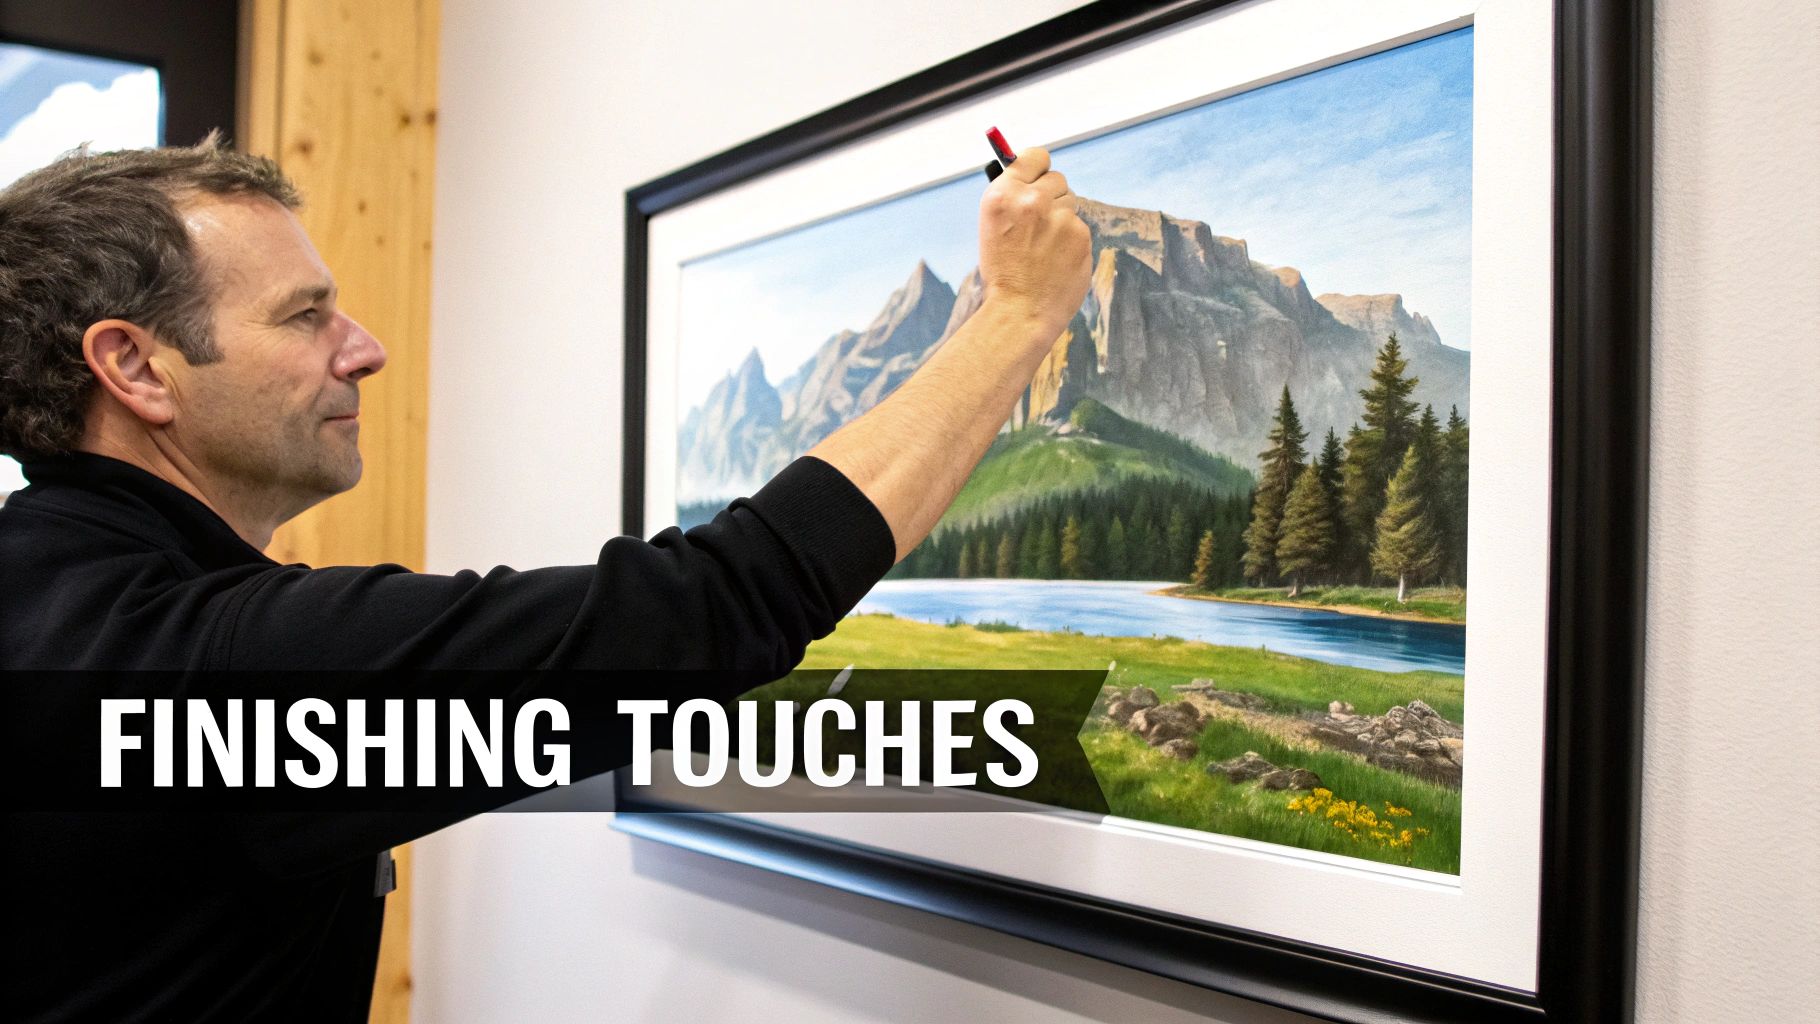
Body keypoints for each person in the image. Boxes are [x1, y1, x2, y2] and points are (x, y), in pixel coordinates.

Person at [0, 137, 1089, 1020]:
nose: (364, 347)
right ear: (135, 366)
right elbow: (717, 604)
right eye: (303, 314)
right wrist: (1015, 317)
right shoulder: (199, 665)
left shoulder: (45, 586)